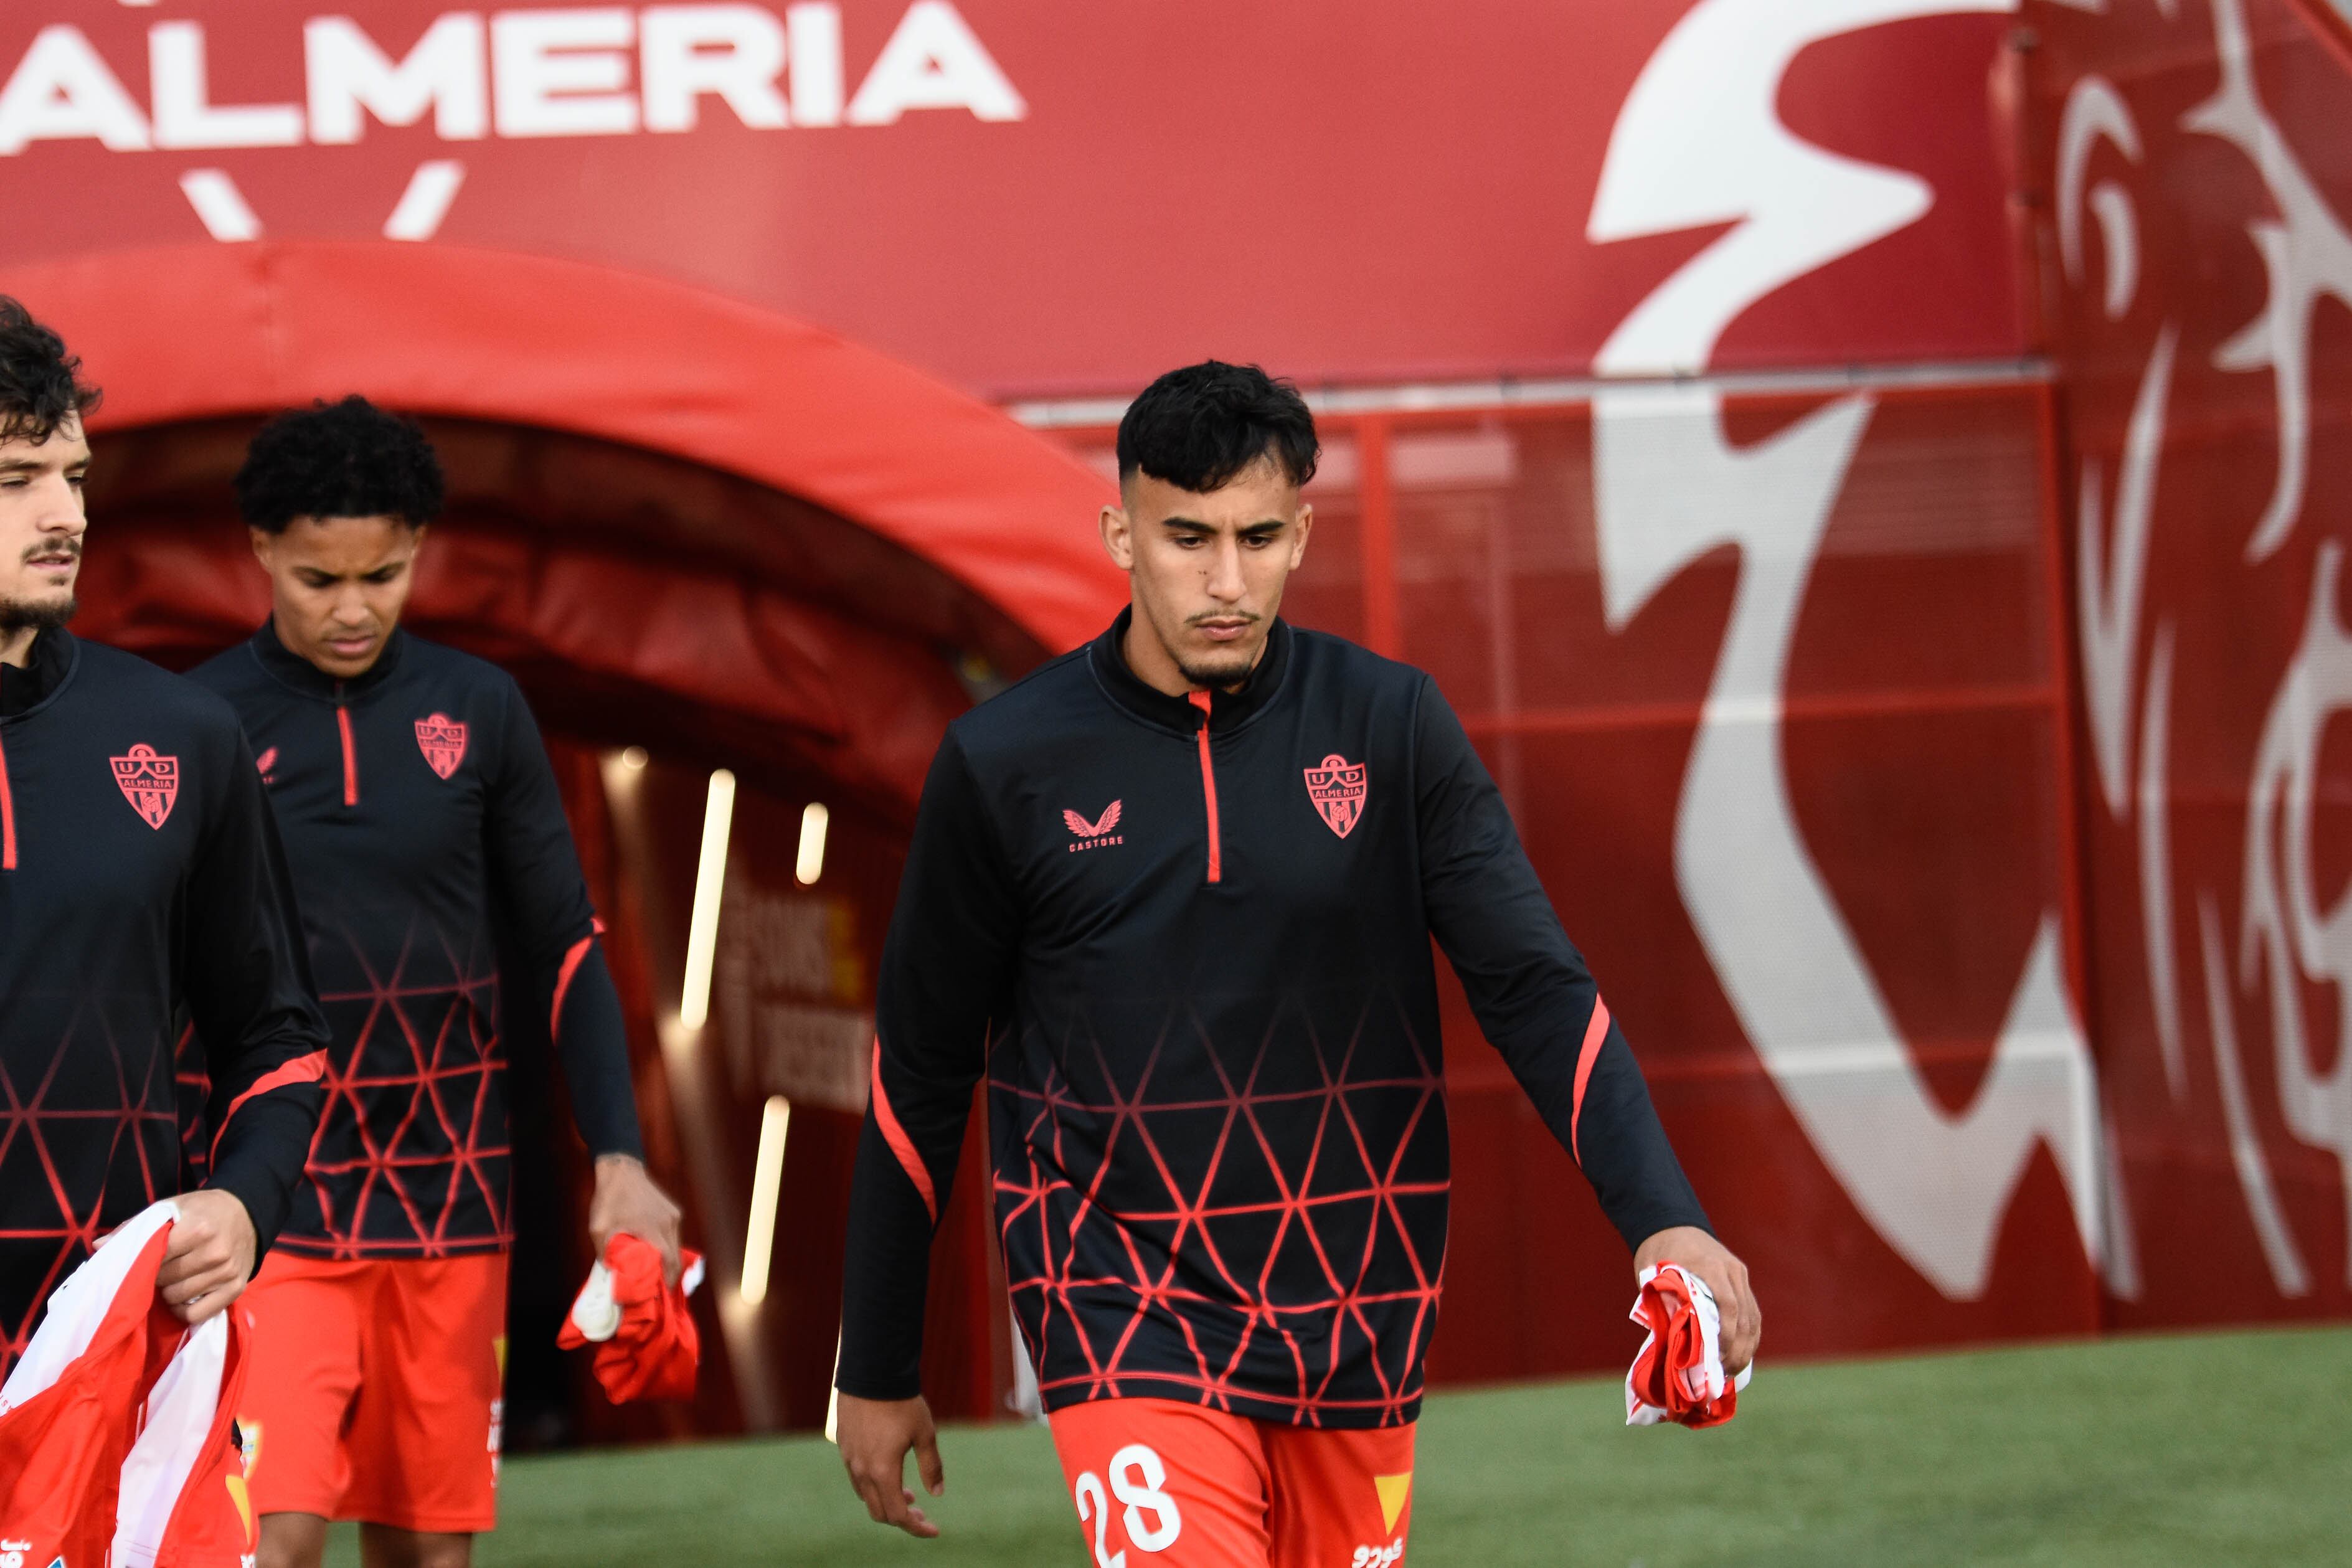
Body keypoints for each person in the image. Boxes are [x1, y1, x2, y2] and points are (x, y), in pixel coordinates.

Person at [833, 361, 1761, 1565]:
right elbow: (921, 1068)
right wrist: (878, 1359)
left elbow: (1530, 982)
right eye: (1186, 537)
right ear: (1121, 533)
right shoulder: (1004, 764)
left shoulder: (1390, 722)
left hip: (1356, 1307)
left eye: (1257, 536)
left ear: (1300, 534)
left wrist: (1664, 1220)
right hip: (1119, 1304)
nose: (1225, 580)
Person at [186, 397, 683, 1568]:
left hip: (454, 1199)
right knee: (279, 1533)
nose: (354, 607)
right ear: (260, 550)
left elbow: (565, 943)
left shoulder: (480, 710)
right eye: (319, 578)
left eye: (386, 573)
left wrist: (618, 1158)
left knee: (429, 1552)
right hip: (273, 1192)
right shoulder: (199, 721)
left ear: (418, 550)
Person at [0, 295, 329, 1373]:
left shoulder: (180, 734)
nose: (66, 516)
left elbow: (276, 1035)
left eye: (74, 476)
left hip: (123, 1363)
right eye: (17, 483)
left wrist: (244, 1201)